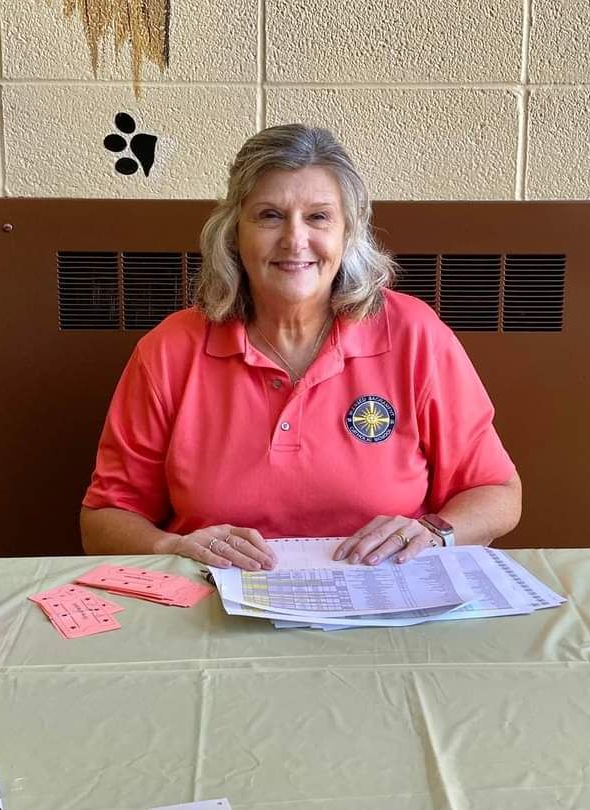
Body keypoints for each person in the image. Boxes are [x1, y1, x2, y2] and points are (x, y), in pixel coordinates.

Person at [80, 124, 521, 571]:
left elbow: (498, 492)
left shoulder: (413, 334)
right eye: (269, 215)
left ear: (349, 233)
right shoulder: (170, 349)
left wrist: (433, 532)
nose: (295, 240)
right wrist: (169, 548)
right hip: (214, 607)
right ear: (234, 233)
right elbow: (104, 518)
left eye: (318, 217)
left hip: (387, 605)